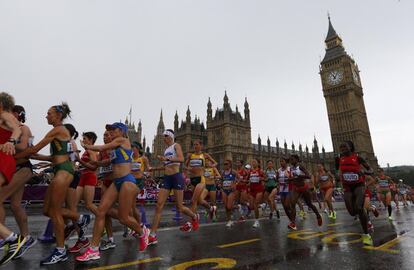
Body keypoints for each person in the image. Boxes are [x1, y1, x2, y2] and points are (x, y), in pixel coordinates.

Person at [14, 102, 90, 265]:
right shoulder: (61, 133)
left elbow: (34, 149)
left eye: (49, 113)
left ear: (58, 115)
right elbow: (49, 157)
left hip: (63, 172)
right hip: (61, 169)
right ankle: (80, 218)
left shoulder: (58, 129)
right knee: (47, 210)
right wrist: (32, 157)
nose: (46, 115)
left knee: (55, 211)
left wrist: (13, 157)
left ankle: (60, 250)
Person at [76, 122, 149, 262]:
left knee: (123, 218)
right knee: (101, 211)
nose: (110, 132)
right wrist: (96, 163)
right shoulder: (116, 146)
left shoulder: (122, 140)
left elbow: (103, 147)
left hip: (127, 181)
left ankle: (142, 231)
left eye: (113, 130)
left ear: (121, 131)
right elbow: (109, 162)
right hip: (117, 182)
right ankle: (93, 249)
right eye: (109, 130)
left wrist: (87, 146)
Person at [148, 129, 199, 245]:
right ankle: (153, 235)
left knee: (180, 207)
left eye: (165, 136)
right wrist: (154, 169)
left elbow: (181, 159)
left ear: (170, 136)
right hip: (167, 178)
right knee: (158, 205)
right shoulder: (166, 150)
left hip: (176, 177)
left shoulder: (176, 146)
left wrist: (167, 158)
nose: (163, 138)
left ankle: (194, 216)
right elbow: (166, 165)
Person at [0, 105, 36, 260]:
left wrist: (8, 143)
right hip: (14, 167)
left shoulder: (23, 128)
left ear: (18, 114)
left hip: (21, 168)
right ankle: (25, 238)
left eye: (12, 112)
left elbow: (25, 147)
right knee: (15, 205)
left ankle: (6, 237)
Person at [0, 93, 27, 265]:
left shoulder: (5, 114)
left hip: (4, 159)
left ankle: (12, 238)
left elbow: (17, 129)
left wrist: (11, 141)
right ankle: (10, 237)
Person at [336, 141, 373, 246]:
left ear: (350, 147)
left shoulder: (358, 157)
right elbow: (336, 170)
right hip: (347, 187)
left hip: (359, 185)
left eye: (344, 146)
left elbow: (371, 170)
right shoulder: (338, 158)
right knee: (352, 212)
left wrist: (364, 172)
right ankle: (365, 212)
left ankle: (366, 234)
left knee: (359, 208)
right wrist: (338, 176)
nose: (342, 148)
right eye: (341, 147)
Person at [67, 132, 98, 253]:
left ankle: (101, 218)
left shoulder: (91, 150)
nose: (82, 140)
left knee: (89, 204)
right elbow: (85, 166)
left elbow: (94, 166)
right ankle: (81, 237)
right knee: (72, 206)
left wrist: (79, 160)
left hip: (90, 177)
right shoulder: (86, 151)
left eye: (84, 138)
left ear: (90, 140)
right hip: (82, 177)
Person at [288, 155, 322, 229]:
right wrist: (290, 179)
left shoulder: (300, 166)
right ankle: (293, 223)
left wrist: (301, 176)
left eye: (292, 159)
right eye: (290, 160)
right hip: (296, 188)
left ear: (297, 159)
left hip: (303, 187)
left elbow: (308, 176)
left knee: (309, 204)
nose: (291, 161)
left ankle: (318, 216)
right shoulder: (291, 168)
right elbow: (294, 177)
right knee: (292, 204)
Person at [185, 140, 217, 217]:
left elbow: (215, 163)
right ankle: (211, 208)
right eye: (194, 145)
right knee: (199, 201)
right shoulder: (190, 155)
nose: (195, 146)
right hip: (193, 179)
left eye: (197, 144)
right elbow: (185, 166)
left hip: (201, 179)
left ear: (201, 146)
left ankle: (193, 219)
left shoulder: (205, 155)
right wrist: (188, 169)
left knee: (193, 200)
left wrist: (211, 166)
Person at [247, 158, 265, 228]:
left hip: (259, 190)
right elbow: (247, 180)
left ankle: (257, 221)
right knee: (251, 206)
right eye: (252, 162)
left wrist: (262, 179)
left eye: (255, 162)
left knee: (255, 204)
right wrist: (243, 181)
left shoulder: (261, 171)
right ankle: (262, 206)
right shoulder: (250, 171)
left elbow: (266, 178)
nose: (253, 163)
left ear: (258, 163)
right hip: (252, 190)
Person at [221, 160, 239, 228]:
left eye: (226, 164)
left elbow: (239, 178)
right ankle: (229, 220)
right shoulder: (223, 172)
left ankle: (237, 207)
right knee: (226, 207)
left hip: (231, 191)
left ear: (230, 165)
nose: (225, 165)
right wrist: (221, 185)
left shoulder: (233, 172)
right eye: (224, 164)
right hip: (224, 190)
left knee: (229, 206)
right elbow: (221, 180)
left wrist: (235, 184)